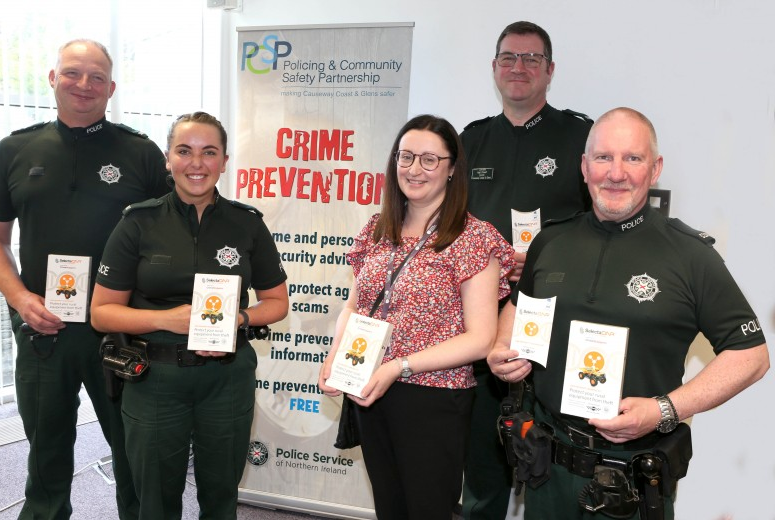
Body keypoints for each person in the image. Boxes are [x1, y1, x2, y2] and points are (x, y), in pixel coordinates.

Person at [487, 107, 770, 520]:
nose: (615, 173)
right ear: (584, 167)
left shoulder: (692, 256)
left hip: (630, 483)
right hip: (547, 471)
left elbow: (752, 356)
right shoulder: (551, 241)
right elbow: (520, 304)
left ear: (654, 169)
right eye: (603, 158)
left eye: (632, 159)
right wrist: (501, 347)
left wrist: (664, 409)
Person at [0, 39, 168, 519]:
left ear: (111, 88)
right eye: (73, 73)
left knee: (134, 454)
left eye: (97, 77)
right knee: (46, 456)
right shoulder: (14, 150)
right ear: (52, 78)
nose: (84, 85)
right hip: (44, 332)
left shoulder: (141, 153)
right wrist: (21, 299)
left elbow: (170, 239)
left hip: (121, 333)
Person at [90, 111, 289, 519]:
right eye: (184, 151)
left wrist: (239, 320)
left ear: (224, 161)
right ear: (167, 158)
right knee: (156, 501)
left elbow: (276, 302)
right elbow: (101, 313)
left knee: (221, 496)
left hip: (226, 378)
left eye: (208, 152)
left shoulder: (247, 224)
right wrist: (166, 319)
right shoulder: (137, 222)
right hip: (155, 378)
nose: (196, 163)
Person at [318, 114, 515, 519]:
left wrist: (399, 367)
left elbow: (480, 338)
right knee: (389, 507)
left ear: (452, 169)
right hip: (370, 386)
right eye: (405, 157)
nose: (414, 169)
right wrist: (336, 354)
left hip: (434, 397)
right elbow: (354, 306)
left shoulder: (473, 238)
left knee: (427, 510)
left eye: (429, 159)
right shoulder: (378, 228)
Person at [459, 20, 592, 519]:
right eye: (509, 58)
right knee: (484, 467)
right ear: (495, 68)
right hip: (482, 321)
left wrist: (543, 260)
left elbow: (601, 221)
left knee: (554, 465)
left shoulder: (581, 135)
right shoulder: (470, 140)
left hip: (557, 318)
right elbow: (448, 228)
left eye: (532, 59)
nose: (519, 68)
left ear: (550, 70)